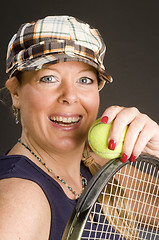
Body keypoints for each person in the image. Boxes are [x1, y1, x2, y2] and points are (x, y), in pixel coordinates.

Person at [0, 15, 159, 240]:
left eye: (84, 80)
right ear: (15, 92)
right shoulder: (20, 198)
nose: (70, 96)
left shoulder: (93, 166)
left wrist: (158, 149)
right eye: (48, 78)